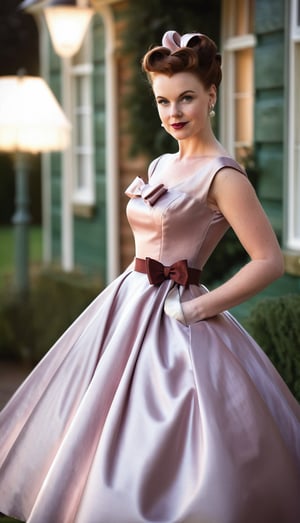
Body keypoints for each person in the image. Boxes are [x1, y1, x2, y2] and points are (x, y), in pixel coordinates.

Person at [0, 30, 299, 523]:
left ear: (212, 95)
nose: (174, 112)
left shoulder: (223, 175)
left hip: (179, 319)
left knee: (167, 434)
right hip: (125, 304)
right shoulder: (163, 161)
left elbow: (269, 261)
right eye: (163, 101)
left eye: (186, 97)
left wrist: (198, 307)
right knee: (93, 425)